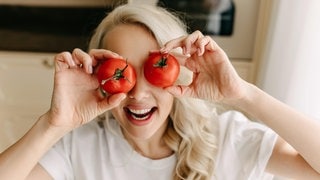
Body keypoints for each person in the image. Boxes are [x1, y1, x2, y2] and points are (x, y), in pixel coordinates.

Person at [0, 3, 320, 180]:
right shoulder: (79, 148)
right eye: (121, 74)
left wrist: (244, 94)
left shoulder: (229, 139)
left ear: (177, 74)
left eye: (154, 71)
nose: (138, 93)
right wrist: (52, 123)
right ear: (98, 79)